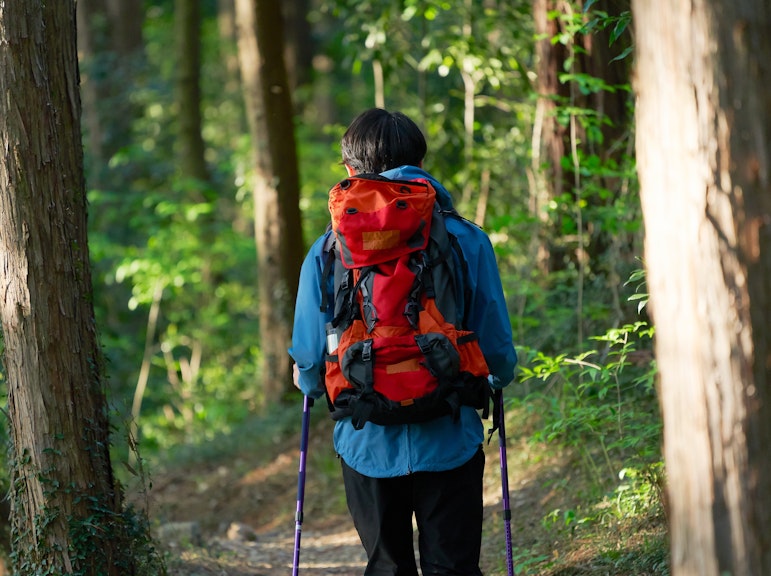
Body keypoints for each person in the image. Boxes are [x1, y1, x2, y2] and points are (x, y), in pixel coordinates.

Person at [289, 108, 517, 576]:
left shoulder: (328, 249)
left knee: (388, 566)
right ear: (419, 162)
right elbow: (495, 347)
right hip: (449, 429)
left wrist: (309, 382)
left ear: (351, 170)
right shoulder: (466, 239)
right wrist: (495, 376)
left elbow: (310, 360)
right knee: (452, 567)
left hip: (366, 438)